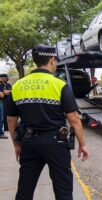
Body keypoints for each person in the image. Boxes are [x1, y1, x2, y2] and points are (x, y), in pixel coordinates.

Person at [6, 45, 89, 200]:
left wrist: (17, 144)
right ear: (52, 60)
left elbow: (11, 120)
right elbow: (74, 119)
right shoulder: (60, 85)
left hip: (28, 142)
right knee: (63, 189)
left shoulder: (17, 86)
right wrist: (82, 144)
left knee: (25, 189)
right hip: (55, 143)